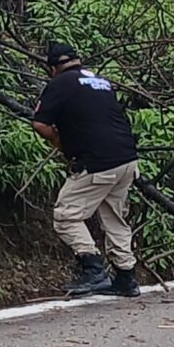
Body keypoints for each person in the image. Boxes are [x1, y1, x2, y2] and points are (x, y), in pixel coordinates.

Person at [32, 43, 141, 298]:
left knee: (66, 214)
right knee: (114, 216)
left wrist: (60, 144)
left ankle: (92, 268)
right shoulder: (100, 82)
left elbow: (39, 123)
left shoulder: (59, 83)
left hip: (97, 161)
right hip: (126, 158)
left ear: (52, 69)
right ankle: (126, 277)